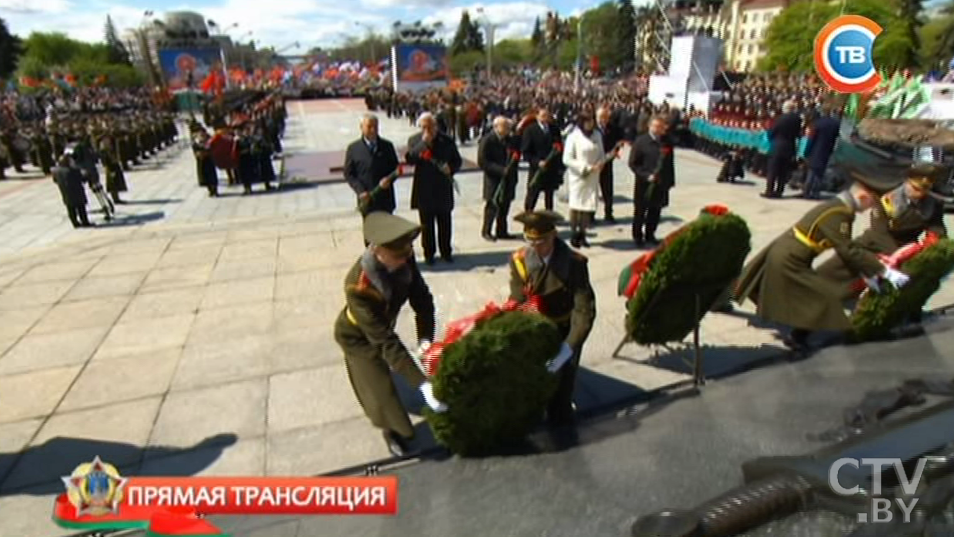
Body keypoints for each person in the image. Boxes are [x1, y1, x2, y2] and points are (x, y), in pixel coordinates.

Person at [734, 173, 910, 351]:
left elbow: (847, 251)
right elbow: (848, 250)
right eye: (871, 203)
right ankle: (796, 338)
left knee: (787, 292)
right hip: (791, 258)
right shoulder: (839, 214)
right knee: (822, 298)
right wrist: (883, 271)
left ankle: (721, 298)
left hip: (792, 253)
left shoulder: (840, 209)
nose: (869, 208)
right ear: (863, 197)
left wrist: (868, 273)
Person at [333, 212, 446, 457]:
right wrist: (422, 384)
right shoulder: (358, 286)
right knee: (381, 391)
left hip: (382, 325)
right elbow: (384, 340)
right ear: (376, 251)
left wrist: (425, 340)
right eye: (398, 256)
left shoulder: (403, 258)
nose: (405, 260)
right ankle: (391, 431)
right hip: (356, 335)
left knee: (391, 367)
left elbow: (423, 300)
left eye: (407, 254)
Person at [508, 211, 596, 427]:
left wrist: (568, 347)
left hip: (564, 330)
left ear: (554, 236)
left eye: (542, 241)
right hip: (537, 330)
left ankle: (563, 422)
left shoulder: (574, 263)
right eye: (531, 241)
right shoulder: (520, 261)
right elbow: (518, 299)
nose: (537, 247)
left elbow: (583, 310)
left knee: (563, 387)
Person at [816, 163, 949, 300]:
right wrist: (895, 257)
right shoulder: (888, 199)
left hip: (907, 247)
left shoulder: (933, 204)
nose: (919, 194)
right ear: (907, 182)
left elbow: (937, 226)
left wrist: (933, 240)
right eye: (915, 188)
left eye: (924, 190)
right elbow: (880, 232)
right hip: (876, 242)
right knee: (839, 264)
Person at [405, 112, 463, 265]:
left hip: (442, 188)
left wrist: (450, 168)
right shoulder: (415, 140)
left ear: (435, 126)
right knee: (427, 225)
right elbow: (410, 159)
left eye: (430, 126)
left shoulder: (447, 140)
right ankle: (429, 253)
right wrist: (423, 144)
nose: (427, 130)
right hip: (424, 190)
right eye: (424, 127)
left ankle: (446, 251)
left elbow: (457, 160)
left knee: (445, 223)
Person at [563, 111, 607, 248]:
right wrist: (585, 167)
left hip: (593, 175)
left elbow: (601, 153)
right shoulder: (573, 137)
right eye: (587, 122)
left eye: (592, 121)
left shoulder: (597, 135)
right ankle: (573, 233)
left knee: (588, 206)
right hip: (579, 176)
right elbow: (567, 159)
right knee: (576, 206)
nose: (590, 124)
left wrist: (601, 163)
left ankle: (583, 233)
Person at [628, 116, 675, 247]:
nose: (658, 129)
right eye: (655, 126)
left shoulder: (667, 142)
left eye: (660, 127)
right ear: (649, 126)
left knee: (655, 211)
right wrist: (646, 175)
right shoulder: (641, 141)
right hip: (644, 184)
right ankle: (637, 236)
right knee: (640, 211)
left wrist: (670, 182)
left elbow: (669, 164)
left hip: (660, 184)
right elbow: (633, 164)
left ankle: (650, 234)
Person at [345, 114, 401, 218]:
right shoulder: (353, 148)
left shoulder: (387, 146)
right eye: (369, 126)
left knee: (387, 231)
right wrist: (360, 191)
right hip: (367, 200)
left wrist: (389, 179)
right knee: (371, 232)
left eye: (375, 126)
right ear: (361, 127)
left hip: (385, 200)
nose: (373, 130)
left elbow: (396, 169)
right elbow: (349, 174)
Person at [477, 116, 519, 241]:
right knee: (492, 206)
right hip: (494, 179)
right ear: (496, 127)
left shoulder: (510, 140)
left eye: (508, 127)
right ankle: (486, 231)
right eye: (505, 127)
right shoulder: (487, 140)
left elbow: (515, 156)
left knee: (505, 206)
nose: (508, 129)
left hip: (508, 179)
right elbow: (482, 161)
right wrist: (500, 170)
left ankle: (502, 230)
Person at [521, 106, 565, 212]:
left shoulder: (554, 129)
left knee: (549, 196)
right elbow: (526, 152)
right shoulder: (530, 130)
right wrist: (537, 162)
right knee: (532, 194)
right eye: (543, 116)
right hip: (537, 169)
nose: (545, 118)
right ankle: (528, 215)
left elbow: (559, 147)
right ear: (537, 116)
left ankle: (549, 218)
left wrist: (560, 167)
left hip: (551, 169)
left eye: (547, 116)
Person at [763, 100, 802, 199]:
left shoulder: (780, 119)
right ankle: (779, 191)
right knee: (783, 172)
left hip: (777, 146)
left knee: (772, 170)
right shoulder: (797, 119)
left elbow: (773, 132)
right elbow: (798, 134)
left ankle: (769, 191)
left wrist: (770, 137)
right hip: (789, 147)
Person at [801, 105, 841, 199]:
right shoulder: (835, 123)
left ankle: (807, 191)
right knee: (820, 172)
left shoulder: (817, 123)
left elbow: (811, 138)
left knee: (811, 172)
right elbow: (836, 137)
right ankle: (815, 192)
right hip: (827, 150)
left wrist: (806, 151)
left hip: (815, 149)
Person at [596, 106, 624, 223]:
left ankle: (608, 213)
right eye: (602, 117)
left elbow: (618, 142)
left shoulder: (613, 128)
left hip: (607, 162)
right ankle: (591, 214)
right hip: (594, 164)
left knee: (607, 189)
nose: (604, 119)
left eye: (606, 117)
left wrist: (615, 151)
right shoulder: (593, 128)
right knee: (593, 190)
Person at [52, 151, 91, 228]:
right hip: (77, 191)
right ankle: (84, 222)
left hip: (65, 192)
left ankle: (75, 223)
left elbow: (55, 180)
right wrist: (86, 174)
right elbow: (83, 179)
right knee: (81, 207)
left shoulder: (56, 171)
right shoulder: (73, 171)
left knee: (70, 208)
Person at [192, 128, 219, 197]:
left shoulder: (209, 141)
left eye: (202, 133)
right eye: (200, 133)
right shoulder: (196, 142)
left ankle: (215, 190)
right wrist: (198, 154)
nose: (201, 135)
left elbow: (213, 149)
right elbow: (195, 151)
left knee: (212, 175)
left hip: (209, 160)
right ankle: (210, 190)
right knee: (205, 176)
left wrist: (207, 153)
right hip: (201, 162)